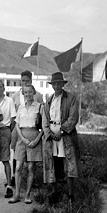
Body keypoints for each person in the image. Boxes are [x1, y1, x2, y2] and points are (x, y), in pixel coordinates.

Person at [42, 72, 80, 202]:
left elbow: (73, 117)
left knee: (69, 163)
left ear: (63, 85)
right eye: (54, 83)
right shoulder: (49, 99)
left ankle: (70, 195)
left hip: (65, 134)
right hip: (51, 135)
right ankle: (54, 193)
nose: (56, 86)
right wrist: (49, 133)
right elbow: (45, 119)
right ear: (52, 85)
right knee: (52, 163)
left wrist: (62, 131)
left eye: (59, 83)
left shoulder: (70, 98)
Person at [9, 85, 43, 204]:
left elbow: (43, 127)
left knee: (30, 168)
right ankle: (17, 194)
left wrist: (36, 140)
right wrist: (22, 139)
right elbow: (17, 125)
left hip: (34, 136)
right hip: (21, 138)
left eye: (30, 92)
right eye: (25, 92)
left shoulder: (39, 107)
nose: (28, 94)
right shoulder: (21, 107)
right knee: (18, 167)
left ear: (34, 92)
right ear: (23, 94)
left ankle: (27, 195)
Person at [0, 79, 16, 198]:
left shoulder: (9, 100)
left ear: (4, 88)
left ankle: (9, 186)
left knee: (5, 159)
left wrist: (8, 131)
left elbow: (13, 119)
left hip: (5, 129)